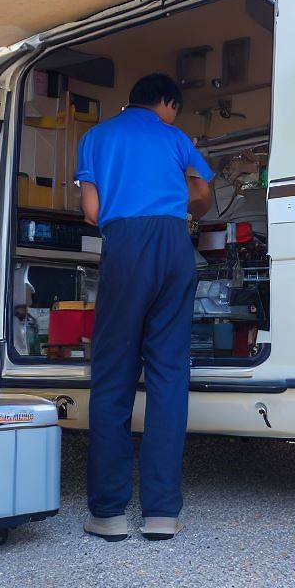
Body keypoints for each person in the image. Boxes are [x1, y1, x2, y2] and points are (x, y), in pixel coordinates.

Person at [75, 72, 214, 541]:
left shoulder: (95, 138)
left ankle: (109, 514)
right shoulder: (176, 138)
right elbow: (203, 195)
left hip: (126, 246)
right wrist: (177, 196)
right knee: (168, 377)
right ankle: (161, 514)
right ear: (166, 103)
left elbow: (92, 211)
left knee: (113, 374)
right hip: (175, 247)